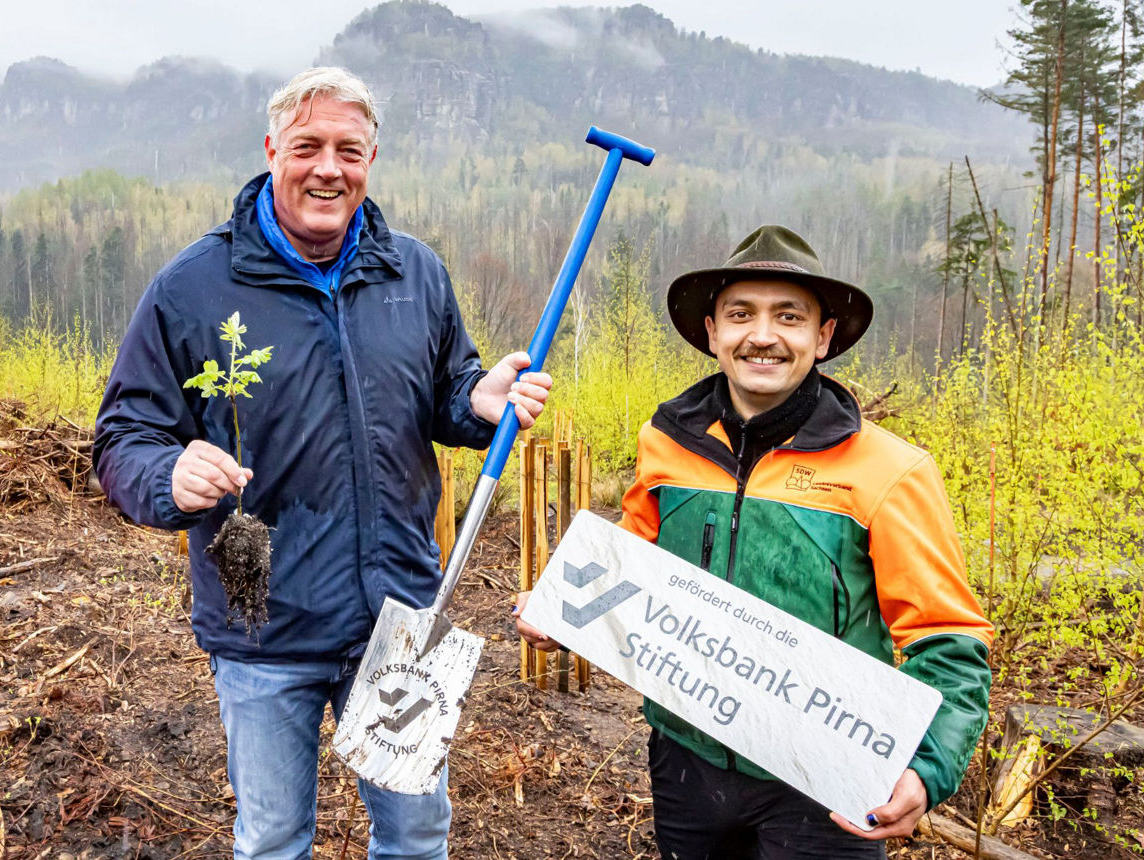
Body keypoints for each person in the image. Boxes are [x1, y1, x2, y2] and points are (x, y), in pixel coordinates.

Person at [94, 67, 552, 860]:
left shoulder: (415, 272)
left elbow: (444, 389)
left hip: (401, 614)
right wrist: (166, 477)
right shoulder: (195, 288)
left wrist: (478, 402)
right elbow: (124, 436)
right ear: (273, 150)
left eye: (349, 150)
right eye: (307, 146)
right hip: (264, 622)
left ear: (371, 159)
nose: (328, 169)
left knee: (415, 835)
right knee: (273, 841)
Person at [516, 226, 993, 859]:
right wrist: (566, 613)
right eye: (741, 314)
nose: (762, 335)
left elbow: (949, 641)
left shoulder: (891, 470)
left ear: (822, 338)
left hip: (827, 781)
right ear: (713, 332)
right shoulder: (666, 442)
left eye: (788, 317)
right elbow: (635, 571)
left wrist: (928, 769)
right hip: (685, 760)